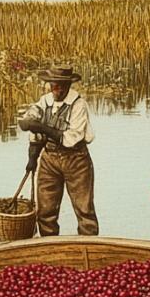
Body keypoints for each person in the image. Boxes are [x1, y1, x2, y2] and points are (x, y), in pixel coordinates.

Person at [18, 65, 99, 236]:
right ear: (49, 84)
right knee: (45, 211)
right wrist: (32, 157)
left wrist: (40, 126)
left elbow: (70, 139)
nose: (58, 89)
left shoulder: (78, 105)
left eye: (62, 85)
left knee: (84, 210)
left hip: (76, 160)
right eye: (54, 85)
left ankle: (89, 249)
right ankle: (49, 251)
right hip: (49, 159)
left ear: (69, 85)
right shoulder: (44, 101)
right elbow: (27, 123)